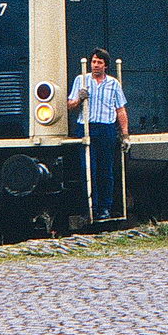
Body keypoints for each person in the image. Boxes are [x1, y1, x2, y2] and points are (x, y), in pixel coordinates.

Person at [68, 48, 129, 220]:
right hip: (86, 127)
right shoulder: (81, 80)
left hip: (106, 129)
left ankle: (105, 208)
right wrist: (79, 98)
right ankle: (90, 208)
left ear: (105, 66)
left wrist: (125, 135)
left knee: (105, 170)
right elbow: (70, 105)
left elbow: (120, 109)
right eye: (94, 61)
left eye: (99, 62)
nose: (95, 65)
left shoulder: (113, 84)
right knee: (88, 169)